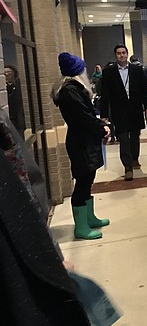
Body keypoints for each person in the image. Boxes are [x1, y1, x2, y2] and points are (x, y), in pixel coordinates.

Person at [0, 107, 104, 326]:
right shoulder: (70, 90)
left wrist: (49, 253)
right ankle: (83, 223)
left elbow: (28, 192)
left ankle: (86, 219)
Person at [52, 53, 110, 240]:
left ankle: (89, 218)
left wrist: (99, 126)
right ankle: (81, 227)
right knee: (83, 182)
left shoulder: (72, 89)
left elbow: (86, 117)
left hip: (83, 139)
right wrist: (102, 130)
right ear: (77, 72)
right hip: (81, 142)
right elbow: (84, 118)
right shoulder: (71, 91)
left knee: (88, 179)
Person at [99, 44, 147, 181]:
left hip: (135, 108)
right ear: (115, 55)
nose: (121, 55)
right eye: (119, 53)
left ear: (127, 54)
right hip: (119, 109)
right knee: (123, 138)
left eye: (123, 52)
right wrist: (104, 114)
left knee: (135, 136)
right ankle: (127, 167)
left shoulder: (137, 70)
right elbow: (104, 94)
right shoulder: (108, 72)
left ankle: (134, 158)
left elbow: (144, 89)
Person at [130, 55, 147, 126]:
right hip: (145, 87)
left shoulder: (130, 68)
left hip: (135, 89)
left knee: (136, 104)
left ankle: (137, 119)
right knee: (146, 102)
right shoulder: (145, 68)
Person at [4, 64, 26, 136]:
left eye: (8, 72)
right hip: (9, 114)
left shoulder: (19, 84)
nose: (6, 74)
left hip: (19, 113)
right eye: (4, 73)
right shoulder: (3, 88)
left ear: (14, 73)